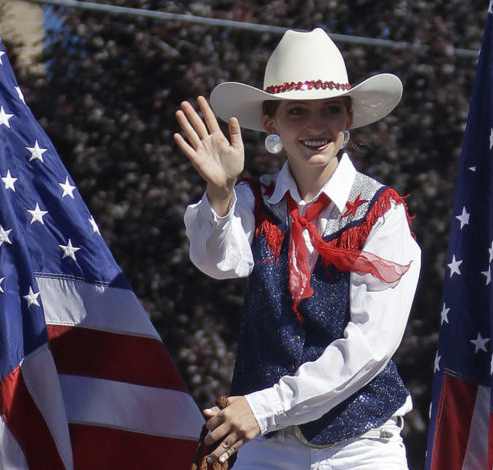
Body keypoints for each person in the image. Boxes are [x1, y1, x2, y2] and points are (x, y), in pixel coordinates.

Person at [174, 28, 421, 469]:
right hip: (268, 448)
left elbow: (370, 346)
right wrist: (219, 193)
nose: (315, 125)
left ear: (349, 118)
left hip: (362, 448)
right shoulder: (252, 199)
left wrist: (263, 407)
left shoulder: (382, 211)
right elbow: (216, 261)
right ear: (271, 122)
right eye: (297, 112)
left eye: (330, 109)